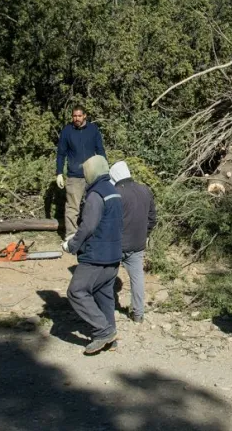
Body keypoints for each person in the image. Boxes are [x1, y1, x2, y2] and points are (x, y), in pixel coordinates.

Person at [62, 155, 123, 355]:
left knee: (76, 291)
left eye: (85, 171)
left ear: (92, 172)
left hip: (96, 255)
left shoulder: (96, 194)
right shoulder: (114, 191)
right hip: (114, 255)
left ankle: (103, 331)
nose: (84, 175)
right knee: (104, 295)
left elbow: (88, 226)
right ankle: (111, 340)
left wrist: (72, 245)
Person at [109, 160, 157, 323]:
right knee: (137, 279)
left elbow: (109, 221)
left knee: (107, 278)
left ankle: (107, 312)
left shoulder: (115, 193)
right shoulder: (145, 190)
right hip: (138, 243)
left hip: (116, 244)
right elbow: (152, 218)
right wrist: (146, 233)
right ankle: (138, 314)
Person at [55, 105, 106, 235]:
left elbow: (100, 150)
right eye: (74, 116)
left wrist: (104, 169)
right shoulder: (67, 131)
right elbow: (61, 153)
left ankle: (93, 233)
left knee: (94, 206)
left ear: (84, 116)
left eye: (79, 116)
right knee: (72, 208)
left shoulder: (93, 129)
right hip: (74, 176)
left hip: (93, 176)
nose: (76, 118)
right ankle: (71, 236)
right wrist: (59, 173)